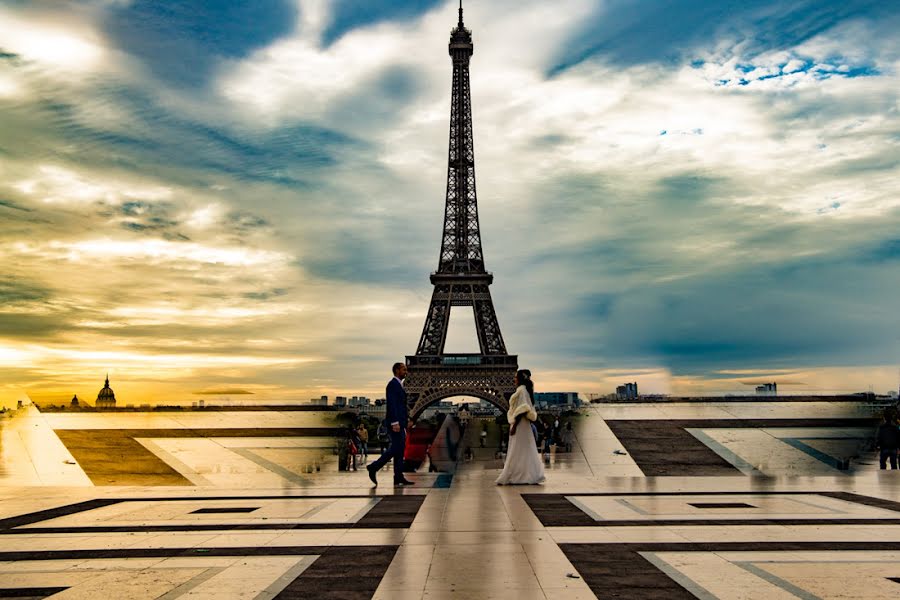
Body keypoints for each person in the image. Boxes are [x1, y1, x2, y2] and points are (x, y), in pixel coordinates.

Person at [367, 362, 414, 486]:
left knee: (399, 450)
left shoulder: (399, 385)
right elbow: (392, 405)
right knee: (396, 448)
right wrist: (395, 422)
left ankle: (398, 476)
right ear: (397, 370)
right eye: (404, 369)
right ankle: (374, 467)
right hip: (396, 423)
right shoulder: (392, 385)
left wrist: (406, 419)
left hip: (400, 422)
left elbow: (401, 406)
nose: (406, 371)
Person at [496, 370, 545, 485]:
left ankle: (518, 475)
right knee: (523, 449)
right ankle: (524, 475)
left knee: (517, 449)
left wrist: (514, 426)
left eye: (515, 378)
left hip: (520, 424)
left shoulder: (522, 391)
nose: (514, 379)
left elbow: (522, 410)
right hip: (523, 424)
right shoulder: (525, 390)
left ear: (520, 379)